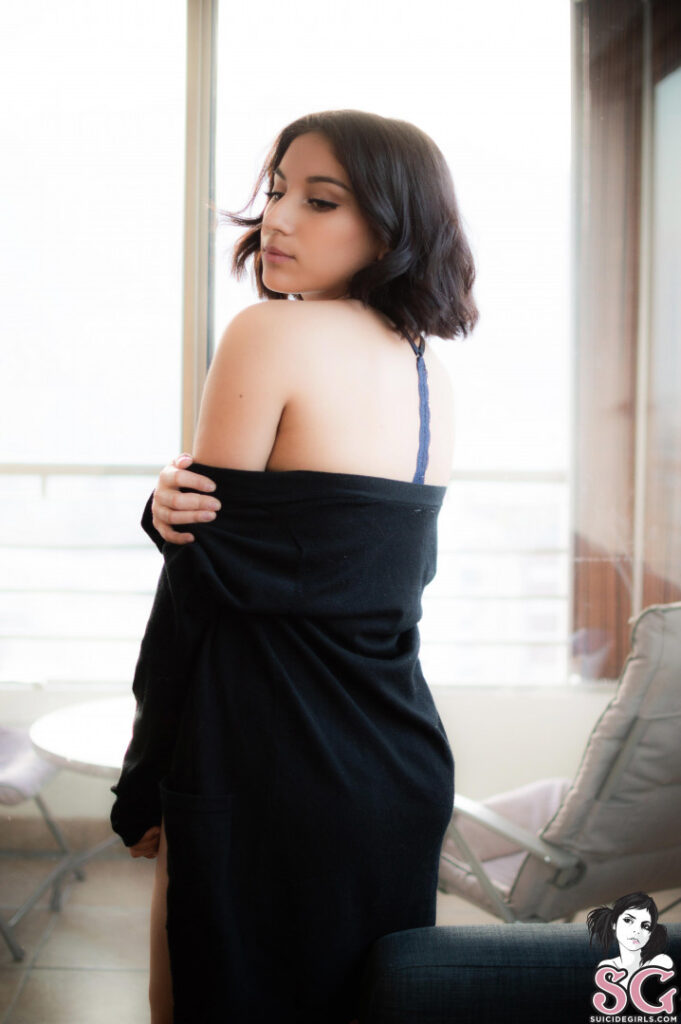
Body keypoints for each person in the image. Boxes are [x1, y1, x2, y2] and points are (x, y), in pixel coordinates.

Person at [110, 108, 478, 1024]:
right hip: (394, 763)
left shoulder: (267, 334)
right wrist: (179, 512)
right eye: (276, 191)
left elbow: (199, 582)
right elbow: (356, 569)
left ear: (391, 226)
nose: (276, 219)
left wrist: (145, 773)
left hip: (267, 757)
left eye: (320, 201)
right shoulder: (428, 372)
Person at [587, 892, 674, 1010]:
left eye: (645, 926)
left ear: (651, 933)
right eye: (628, 920)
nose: (636, 930)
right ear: (614, 923)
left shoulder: (661, 962)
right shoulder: (607, 967)